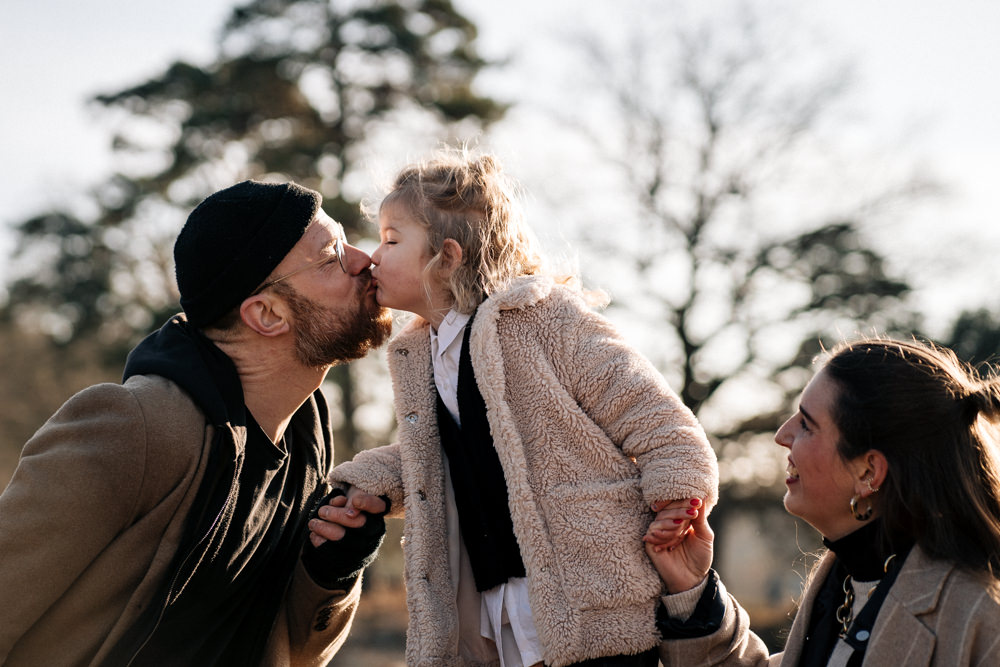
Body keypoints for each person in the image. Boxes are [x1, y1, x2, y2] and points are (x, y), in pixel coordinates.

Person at [322, 149, 719, 667]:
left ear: (447, 256)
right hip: (497, 605)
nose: (374, 256)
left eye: (392, 240)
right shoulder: (422, 353)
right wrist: (371, 479)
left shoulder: (546, 319)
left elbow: (653, 416)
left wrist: (676, 498)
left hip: (588, 599)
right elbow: (444, 451)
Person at [0, 180, 395, 666]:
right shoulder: (133, 427)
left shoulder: (306, 435)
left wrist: (329, 573)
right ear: (267, 314)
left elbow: (292, 653)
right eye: (332, 254)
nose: (366, 258)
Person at [647, 338, 1000, 666]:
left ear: (868, 472)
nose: (782, 435)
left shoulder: (981, 618)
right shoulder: (844, 583)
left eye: (807, 425)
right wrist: (692, 590)